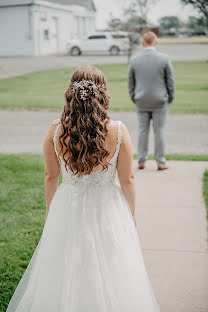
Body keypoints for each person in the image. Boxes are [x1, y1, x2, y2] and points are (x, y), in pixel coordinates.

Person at [6, 65, 160, 312]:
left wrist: (51, 209)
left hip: (69, 205)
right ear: (103, 94)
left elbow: (50, 176)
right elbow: (127, 179)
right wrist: (129, 213)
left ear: (71, 93)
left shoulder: (55, 130)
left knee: (66, 266)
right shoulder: (118, 130)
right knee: (112, 267)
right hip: (107, 206)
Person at [128, 31, 175, 170]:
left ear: (143, 43)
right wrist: (170, 97)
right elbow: (170, 81)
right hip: (160, 101)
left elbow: (130, 82)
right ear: (155, 42)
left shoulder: (134, 60)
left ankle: (141, 160)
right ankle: (160, 162)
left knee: (142, 131)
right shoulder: (164, 59)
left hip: (141, 100)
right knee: (159, 131)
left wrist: (134, 97)